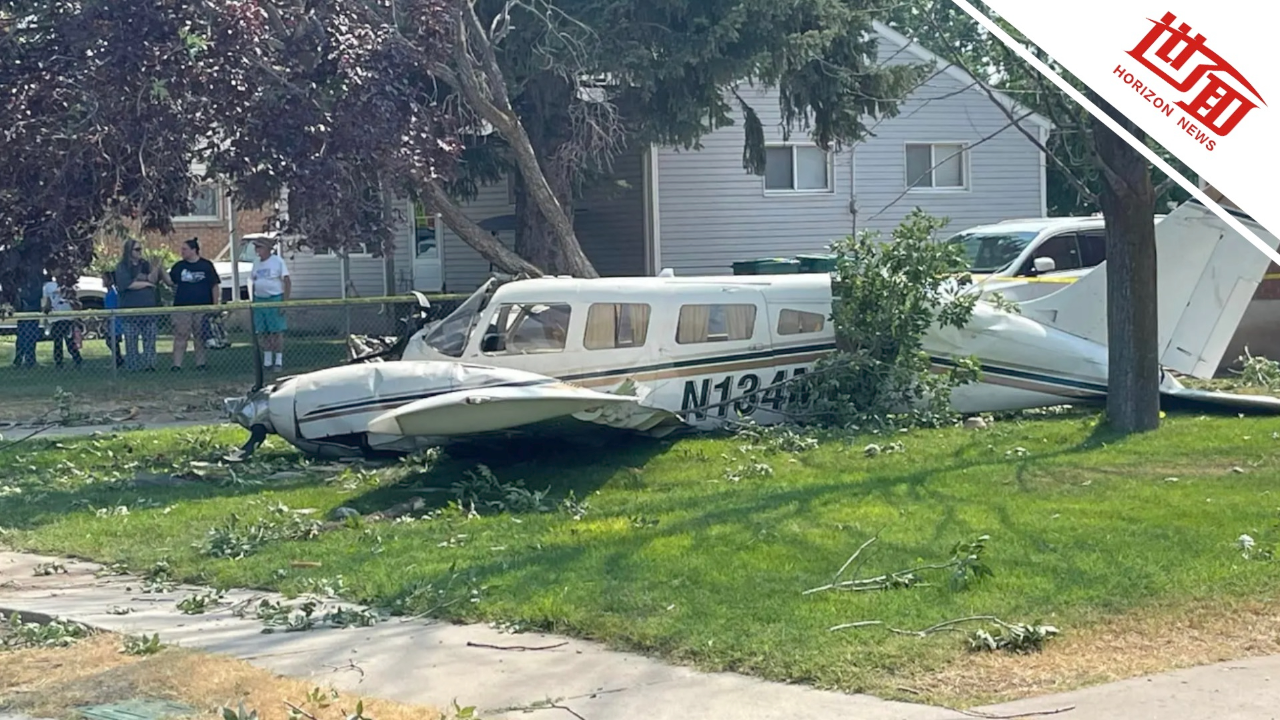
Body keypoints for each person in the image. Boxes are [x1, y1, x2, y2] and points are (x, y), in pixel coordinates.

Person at [167, 237, 220, 370]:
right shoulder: (179, 267)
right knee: (181, 334)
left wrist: (215, 305)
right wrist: (160, 270)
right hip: (182, 307)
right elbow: (170, 282)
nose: (182, 252)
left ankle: (201, 364)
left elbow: (215, 285)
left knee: (200, 336)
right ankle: (176, 365)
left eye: (184, 249)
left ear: (194, 250)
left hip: (202, 307)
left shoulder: (206, 265)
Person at [113, 238, 161, 372]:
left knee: (150, 341)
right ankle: (133, 367)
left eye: (141, 249)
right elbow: (127, 285)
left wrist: (156, 267)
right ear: (129, 251)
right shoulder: (122, 267)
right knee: (131, 341)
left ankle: (149, 366)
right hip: (130, 311)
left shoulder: (144, 265)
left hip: (148, 310)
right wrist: (146, 284)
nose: (140, 252)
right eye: (137, 249)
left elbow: (153, 279)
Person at [251, 236, 290, 372]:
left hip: (274, 299)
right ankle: (267, 361)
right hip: (259, 300)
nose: (257, 250)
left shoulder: (277, 261)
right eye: (256, 247)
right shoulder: (256, 263)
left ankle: (278, 360)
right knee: (262, 332)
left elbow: (286, 280)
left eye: (259, 247)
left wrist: (284, 303)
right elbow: (253, 280)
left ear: (268, 248)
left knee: (276, 332)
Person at [41, 271, 82, 368]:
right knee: (57, 341)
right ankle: (59, 362)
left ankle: (77, 359)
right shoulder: (48, 287)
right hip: (56, 318)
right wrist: (46, 309)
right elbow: (48, 301)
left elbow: (76, 303)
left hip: (67, 317)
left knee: (69, 341)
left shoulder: (69, 288)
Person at [11, 268, 41, 368]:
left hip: (31, 313)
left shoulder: (34, 282)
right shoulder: (24, 283)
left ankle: (27, 360)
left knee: (28, 337)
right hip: (26, 313)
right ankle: (24, 360)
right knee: (25, 338)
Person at [102, 271, 125, 366]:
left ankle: (118, 360)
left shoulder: (112, 293)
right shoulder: (110, 292)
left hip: (115, 321)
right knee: (111, 341)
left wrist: (105, 321)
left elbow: (110, 309)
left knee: (112, 341)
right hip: (114, 321)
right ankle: (118, 360)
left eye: (104, 279)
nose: (103, 281)